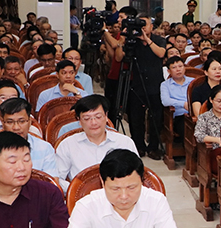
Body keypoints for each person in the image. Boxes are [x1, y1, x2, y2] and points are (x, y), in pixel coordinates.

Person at [59, 149, 182, 228]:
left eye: (131, 188)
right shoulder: (87, 206)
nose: (124, 196)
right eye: (115, 189)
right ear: (102, 182)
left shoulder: (156, 200)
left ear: (142, 180)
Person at [55, 96, 138, 184]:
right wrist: (75, 190)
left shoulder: (124, 142)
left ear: (106, 116)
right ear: (79, 120)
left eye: (98, 117)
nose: (93, 122)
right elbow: (58, 178)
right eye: (87, 118)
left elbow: (138, 174)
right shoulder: (67, 145)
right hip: (81, 196)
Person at [0, 98, 58, 177]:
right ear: (2, 123)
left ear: (29, 122)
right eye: (10, 122)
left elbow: (51, 184)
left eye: (21, 121)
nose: (16, 127)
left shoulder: (45, 148)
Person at [122, 17, 167, 159]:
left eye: (145, 25)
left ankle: (153, 147)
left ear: (151, 26)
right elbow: (119, 58)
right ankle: (138, 146)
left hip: (155, 84)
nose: (142, 28)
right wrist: (124, 37)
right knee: (136, 117)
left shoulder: (158, 40)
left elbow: (161, 53)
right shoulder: (132, 41)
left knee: (156, 117)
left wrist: (147, 39)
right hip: (137, 85)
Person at [159, 55, 193, 140]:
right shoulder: (165, 85)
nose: (178, 69)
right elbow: (165, 101)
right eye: (174, 67)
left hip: (195, 114)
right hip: (179, 116)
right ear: (169, 71)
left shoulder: (193, 81)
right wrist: (183, 104)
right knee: (187, 132)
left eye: (180, 66)